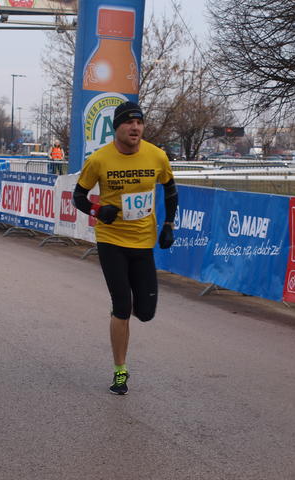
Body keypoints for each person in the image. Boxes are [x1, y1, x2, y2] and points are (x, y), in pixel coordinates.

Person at [73, 101, 178, 395]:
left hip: (143, 242)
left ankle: (126, 311)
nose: (135, 127)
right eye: (129, 122)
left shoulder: (156, 156)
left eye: (139, 123)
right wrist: (98, 210)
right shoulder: (99, 160)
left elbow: (171, 190)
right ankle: (120, 370)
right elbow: (78, 197)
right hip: (111, 241)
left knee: (145, 312)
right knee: (122, 305)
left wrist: (169, 225)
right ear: (116, 127)